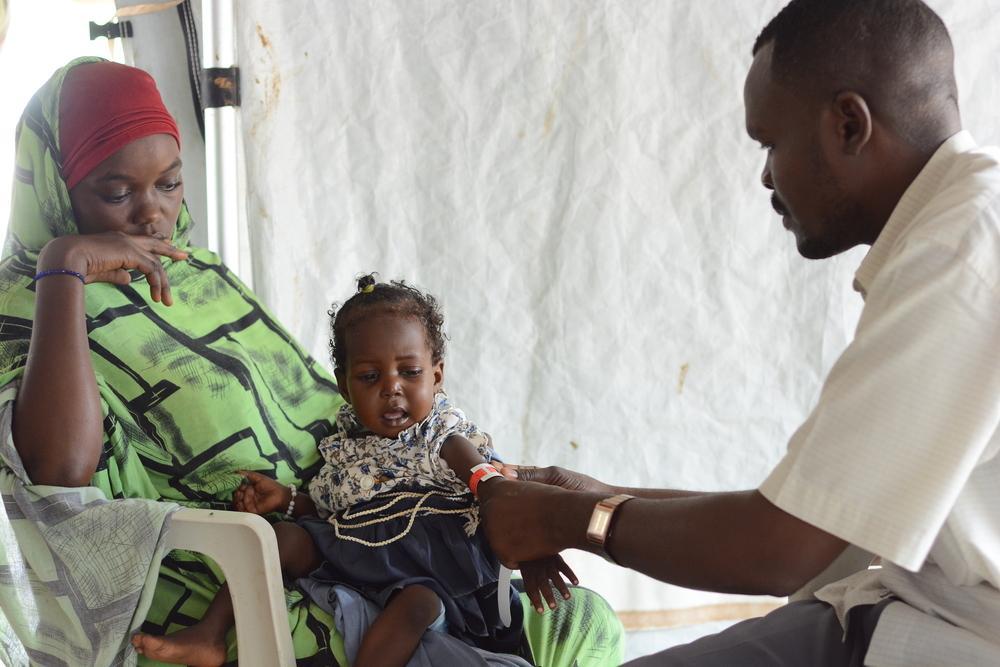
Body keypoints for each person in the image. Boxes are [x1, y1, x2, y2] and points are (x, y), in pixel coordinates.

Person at [0, 57, 624, 665]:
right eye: (117, 192)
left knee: (580, 620)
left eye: (169, 182)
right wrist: (65, 266)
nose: (152, 213)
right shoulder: (25, 309)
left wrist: (314, 501)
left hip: (357, 527)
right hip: (237, 576)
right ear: (55, 188)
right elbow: (59, 473)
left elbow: (334, 412)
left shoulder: (203, 276)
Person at [479, 0, 1000, 664]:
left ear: (848, 123)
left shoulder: (959, 257)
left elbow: (781, 549)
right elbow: (824, 518)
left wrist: (569, 520)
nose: (765, 175)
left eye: (770, 142)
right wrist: (599, 496)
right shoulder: (957, 229)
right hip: (904, 612)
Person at [131, 275, 578, 666]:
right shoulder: (344, 447)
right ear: (345, 386)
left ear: (436, 376)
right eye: (369, 377)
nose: (391, 389)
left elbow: (491, 485)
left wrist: (533, 548)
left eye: (409, 372)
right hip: (357, 553)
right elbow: (332, 510)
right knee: (280, 536)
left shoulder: (444, 435)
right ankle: (210, 635)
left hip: (433, 572)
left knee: (414, 606)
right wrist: (287, 500)